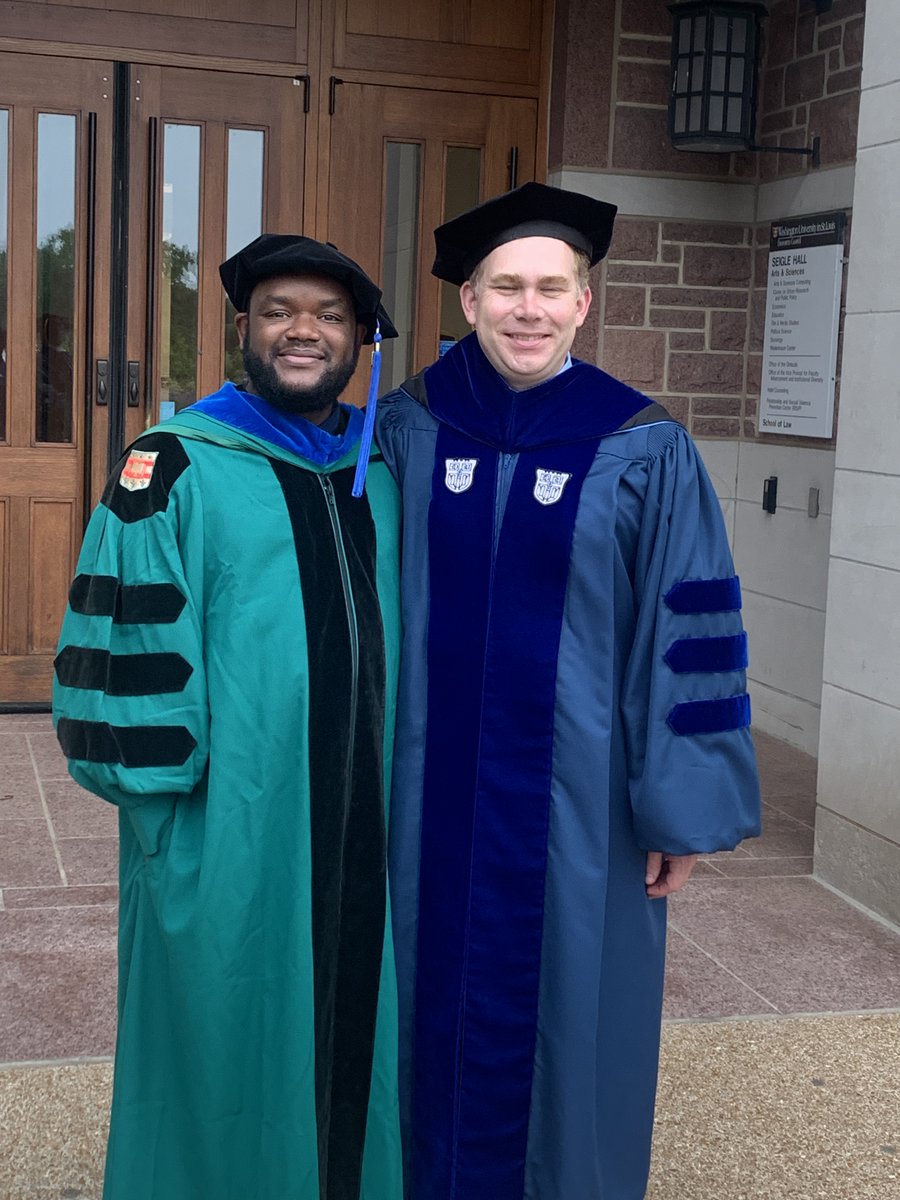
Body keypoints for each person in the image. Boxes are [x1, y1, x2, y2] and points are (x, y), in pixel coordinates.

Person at [376, 183, 762, 1200]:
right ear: (468, 299)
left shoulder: (642, 444)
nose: (529, 309)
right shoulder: (406, 430)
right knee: (411, 1004)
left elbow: (691, 632)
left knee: (570, 1021)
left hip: (577, 811)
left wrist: (678, 811)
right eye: (506, 287)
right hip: (417, 806)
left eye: (552, 288)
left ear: (586, 305)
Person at [53, 234, 404, 1200]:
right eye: (281, 310)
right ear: (243, 326)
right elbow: (121, 660)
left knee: (360, 1040)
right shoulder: (171, 466)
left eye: (330, 316)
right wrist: (167, 820)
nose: (305, 330)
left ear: (360, 341)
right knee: (221, 1031)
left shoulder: (379, 474)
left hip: (366, 825)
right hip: (231, 829)